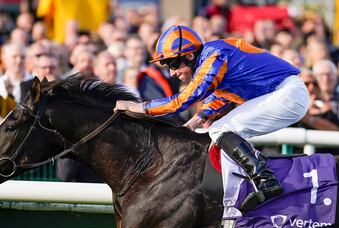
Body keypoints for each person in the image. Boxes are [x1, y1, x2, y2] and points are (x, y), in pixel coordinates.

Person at [114, 24, 308, 212]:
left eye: (173, 63)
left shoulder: (214, 55)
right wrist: (194, 122)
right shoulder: (212, 57)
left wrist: (136, 106)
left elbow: (183, 100)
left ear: (189, 55)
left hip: (287, 94)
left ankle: (265, 181)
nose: (172, 72)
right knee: (220, 131)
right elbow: (222, 95)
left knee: (220, 129)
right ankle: (252, 182)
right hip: (286, 94)